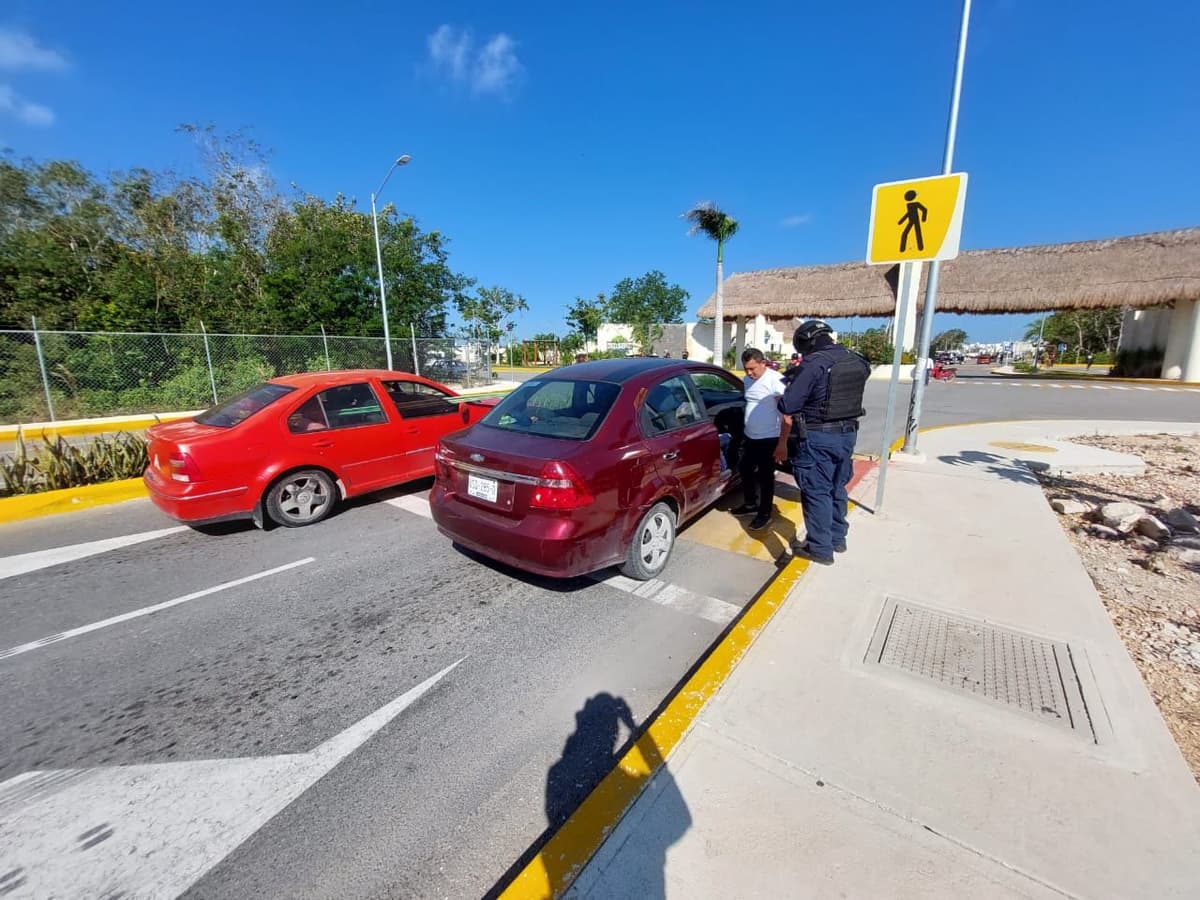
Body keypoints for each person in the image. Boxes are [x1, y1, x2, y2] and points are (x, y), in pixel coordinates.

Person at [776, 320, 870, 565]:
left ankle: (820, 549)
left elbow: (788, 405)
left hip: (817, 437)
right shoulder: (857, 359)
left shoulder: (814, 364)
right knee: (837, 487)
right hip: (848, 435)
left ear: (807, 342)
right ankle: (838, 538)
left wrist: (788, 390)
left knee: (817, 491)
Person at [730, 348, 787, 531]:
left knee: (765, 477)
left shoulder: (776, 380)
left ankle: (765, 513)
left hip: (769, 438)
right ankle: (750, 505)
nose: (749, 373)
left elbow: (788, 414)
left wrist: (782, 443)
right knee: (745, 468)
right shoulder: (747, 380)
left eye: (752, 368)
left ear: (763, 363)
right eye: (746, 369)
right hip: (751, 436)